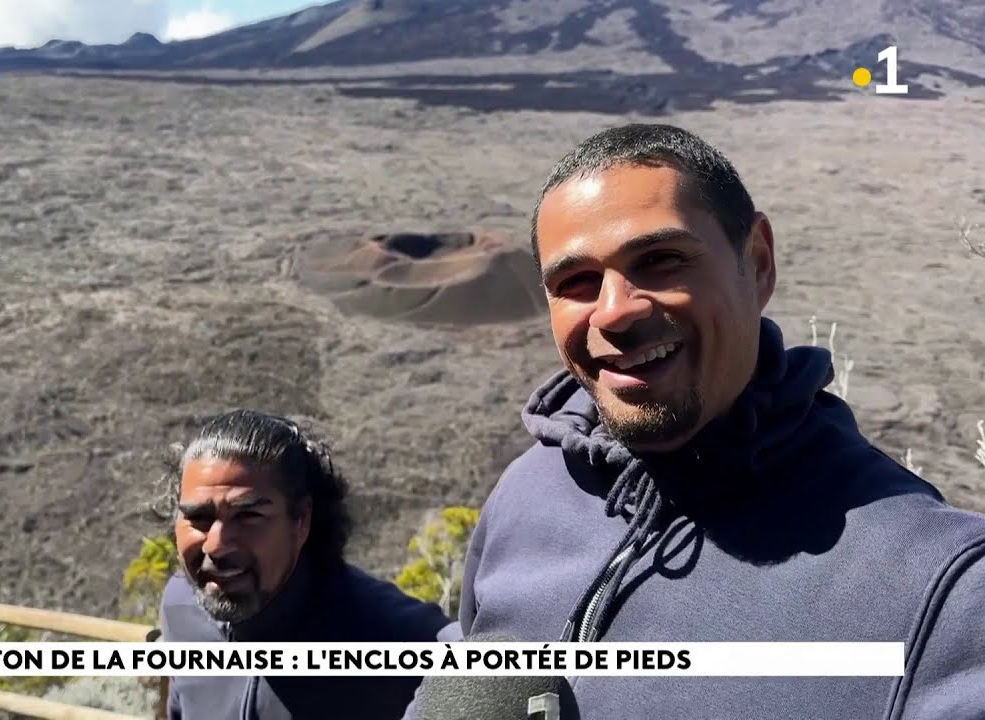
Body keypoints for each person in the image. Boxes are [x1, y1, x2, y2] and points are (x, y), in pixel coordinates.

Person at [417, 124, 985, 719]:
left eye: (661, 260)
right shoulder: (527, 496)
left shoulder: (936, 590)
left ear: (758, 264)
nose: (614, 312)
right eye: (576, 282)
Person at [157, 409, 461, 720]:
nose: (216, 545)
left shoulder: (396, 633)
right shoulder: (181, 606)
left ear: (301, 520)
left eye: (248, 516)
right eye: (199, 518)